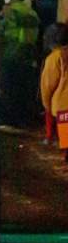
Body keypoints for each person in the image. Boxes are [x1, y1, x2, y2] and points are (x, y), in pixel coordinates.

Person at [0, 0, 40, 128]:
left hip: (11, 53)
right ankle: (24, 120)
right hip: (28, 55)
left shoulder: (9, 12)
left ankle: (10, 120)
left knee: (9, 88)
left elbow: (0, 31)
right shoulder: (33, 13)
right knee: (24, 90)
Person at [40, 23, 68, 160]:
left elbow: (48, 85)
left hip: (64, 108)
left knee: (66, 144)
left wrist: (47, 105)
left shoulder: (56, 57)